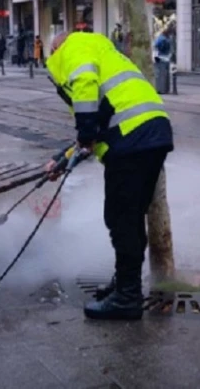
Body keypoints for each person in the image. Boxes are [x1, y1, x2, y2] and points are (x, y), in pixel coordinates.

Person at [44, 31, 174, 321]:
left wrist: (85, 133)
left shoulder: (75, 46)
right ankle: (125, 283)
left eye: (51, 52)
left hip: (132, 141)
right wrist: (62, 160)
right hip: (151, 133)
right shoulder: (102, 50)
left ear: (57, 46)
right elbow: (100, 126)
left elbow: (84, 84)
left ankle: (127, 297)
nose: (52, 59)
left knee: (121, 219)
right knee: (129, 217)